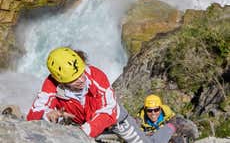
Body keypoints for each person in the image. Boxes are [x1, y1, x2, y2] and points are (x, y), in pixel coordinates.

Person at [27, 46, 176, 143]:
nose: (81, 79)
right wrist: (47, 115)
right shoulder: (51, 85)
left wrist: (85, 132)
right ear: (60, 80)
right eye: (74, 79)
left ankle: (170, 127)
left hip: (116, 121)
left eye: (81, 72)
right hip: (82, 124)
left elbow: (109, 110)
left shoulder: (97, 77)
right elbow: (33, 116)